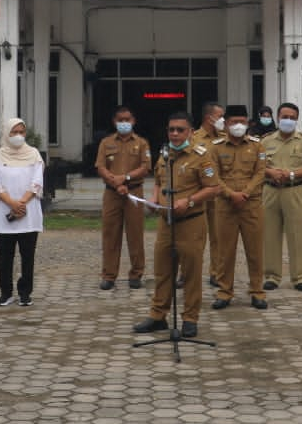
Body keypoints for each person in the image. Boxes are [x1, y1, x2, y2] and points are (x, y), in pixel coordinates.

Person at [133, 112, 220, 339]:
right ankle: (158, 315)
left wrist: (189, 201)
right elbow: (159, 181)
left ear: (190, 132)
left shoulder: (202, 156)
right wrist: (153, 198)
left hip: (191, 222)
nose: (175, 134)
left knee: (190, 273)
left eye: (180, 130)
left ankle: (190, 319)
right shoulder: (164, 154)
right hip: (166, 222)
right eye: (171, 129)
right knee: (163, 271)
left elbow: (213, 188)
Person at [210, 105, 267, 311]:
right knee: (225, 252)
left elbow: (261, 173)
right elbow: (212, 176)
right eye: (234, 122)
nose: (238, 126)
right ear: (225, 124)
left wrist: (245, 193)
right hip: (225, 206)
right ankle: (224, 292)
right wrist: (230, 194)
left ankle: (257, 292)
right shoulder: (215, 147)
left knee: (255, 250)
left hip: (251, 204)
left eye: (242, 121)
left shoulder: (257, 146)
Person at [261, 102, 302, 291]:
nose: (288, 120)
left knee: (297, 234)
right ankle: (272, 276)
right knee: (270, 234)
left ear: (297, 119)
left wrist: (291, 174)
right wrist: (271, 173)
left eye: (292, 117)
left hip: (294, 190)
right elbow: (257, 167)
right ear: (278, 118)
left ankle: (299, 277)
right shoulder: (266, 141)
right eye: (284, 117)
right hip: (270, 191)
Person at [94, 106, 152, 290]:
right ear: (114, 121)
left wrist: (125, 178)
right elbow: (100, 166)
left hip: (134, 192)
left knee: (135, 234)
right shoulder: (106, 142)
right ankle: (109, 275)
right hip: (112, 193)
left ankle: (136, 274)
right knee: (110, 235)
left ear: (133, 121)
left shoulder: (142, 143)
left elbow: (145, 167)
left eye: (128, 119)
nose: (124, 123)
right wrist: (115, 183)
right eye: (121, 120)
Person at [0, 117, 44, 306]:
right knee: (5, 256)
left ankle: (25, 293)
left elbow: (37, 182)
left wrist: (21, 203)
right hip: (5, 214)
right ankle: (6, 292)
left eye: (22, 132)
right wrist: (12, 203)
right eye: (14, 132)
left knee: (27, 256)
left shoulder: (34, 155)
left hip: (28, 213)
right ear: (7, 133)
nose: (18, 136)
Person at [189, 101, 226, 288]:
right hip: (200, 193)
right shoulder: (194, 138)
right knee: (194, 236)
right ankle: (186, 272)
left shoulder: (226, 137)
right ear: (208, 118)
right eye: (220, 116)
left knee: (218, 236)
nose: (223, 120)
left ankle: (216, 273)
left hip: (220, 194)